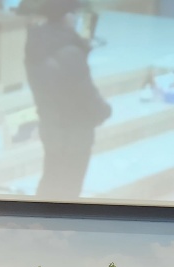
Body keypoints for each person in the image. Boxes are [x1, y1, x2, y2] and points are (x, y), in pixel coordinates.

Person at [23, 0, 112, 199]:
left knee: (51, 179)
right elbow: (86, 95)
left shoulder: (35, 43)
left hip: (51, 127)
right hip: (74, 134)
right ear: (67, 16)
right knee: (70, 188)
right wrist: (105, 111)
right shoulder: (70, 52)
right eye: (75, 14)